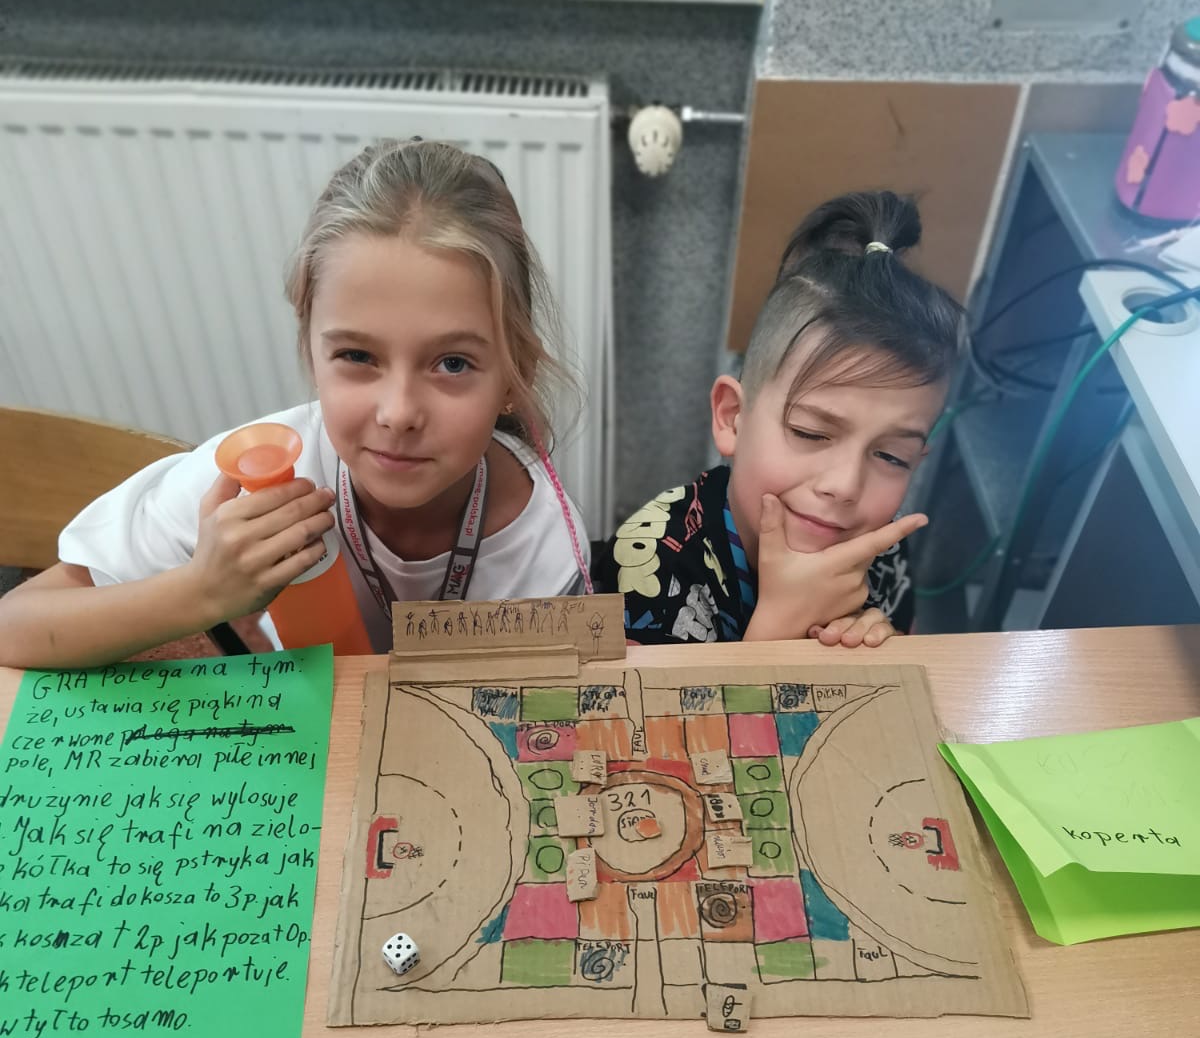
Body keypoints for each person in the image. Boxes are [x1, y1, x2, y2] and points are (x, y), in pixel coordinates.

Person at [0, 139, 592, 669]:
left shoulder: (543, 546)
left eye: (453, 364)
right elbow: (14, 625)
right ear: (311, 350)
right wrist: (201, 592)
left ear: (515, 375)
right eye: (357, 355)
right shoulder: (257, 480)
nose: (397, 413)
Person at [594, 191, 963, 647]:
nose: (845, 485)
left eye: (891, 456)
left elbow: (901, 643)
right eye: (811, 432)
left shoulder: (880, 543)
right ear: (732, 417)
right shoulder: (648, 568)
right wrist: (778, 631)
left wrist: (874, 642)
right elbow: (643, 698)